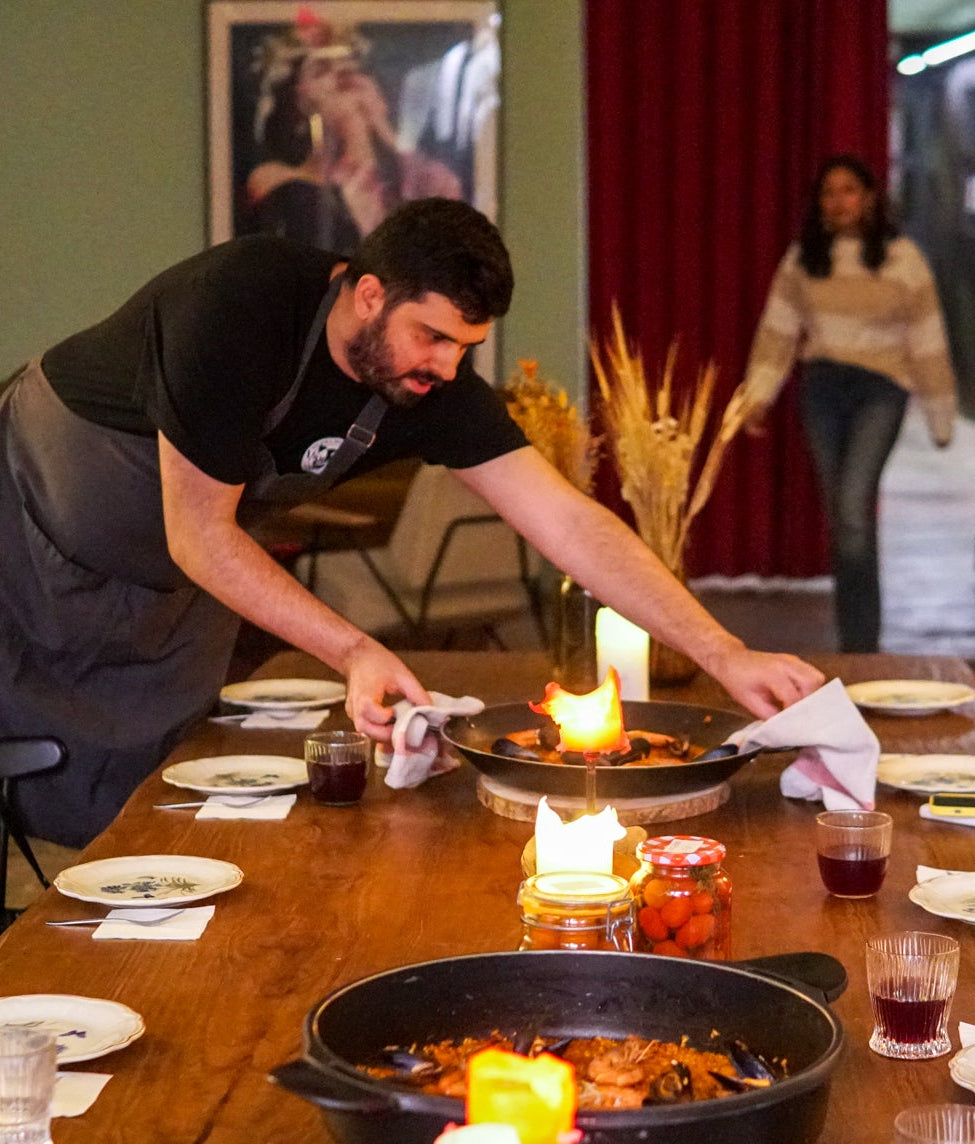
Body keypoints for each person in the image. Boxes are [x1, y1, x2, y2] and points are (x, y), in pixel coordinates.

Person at [0, 197, 823, 847]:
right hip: (35, 530)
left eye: (465, 345)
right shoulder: (237, 306)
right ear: (367, 294)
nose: (448, 365)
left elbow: (569, 522)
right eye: (430, 335)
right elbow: (203, 534)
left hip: (168, 585)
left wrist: (723, 650)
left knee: (159, 795)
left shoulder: (426, 384)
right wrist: (355, 649)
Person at [744, 153, 957, 652]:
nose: (839, 201)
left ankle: (862, 645)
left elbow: (926, 339)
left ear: (869, 198)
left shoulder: (903, 259)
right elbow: (777, 334)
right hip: (822, 388)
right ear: (819, 205)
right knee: (843, 518)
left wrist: (940, 415)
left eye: (849, 191)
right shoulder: (803, 260)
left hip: (880, 389)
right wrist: (756, 396)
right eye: (829, 192)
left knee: (854, 509)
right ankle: (854, 638)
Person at [245, 13, 462, 251]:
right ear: (298, 100)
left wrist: (382, 127)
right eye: (322, 69)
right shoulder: (278, 179)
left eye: (351, 65)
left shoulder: (422, 175)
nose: (343, 75)